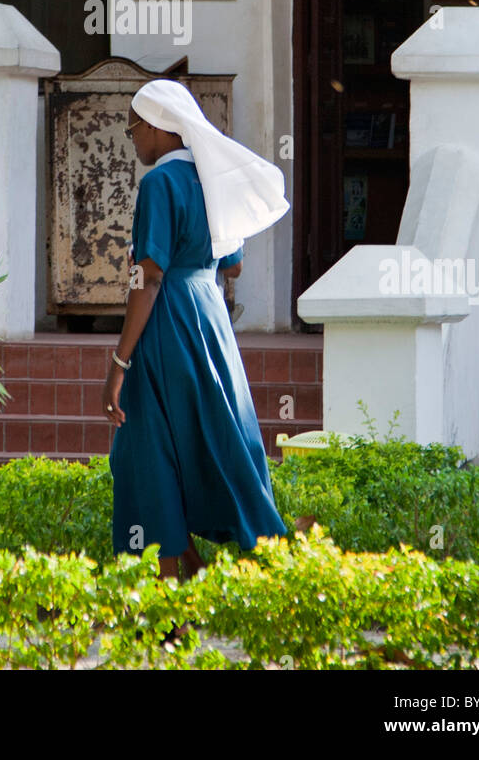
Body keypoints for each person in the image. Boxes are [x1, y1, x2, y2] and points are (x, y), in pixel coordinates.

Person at [105, 79, 290, 584]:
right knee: (216, 443)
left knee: (146, 452)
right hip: (210, 325)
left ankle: (171, 598)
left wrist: (118, 364)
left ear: (159, 127)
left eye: (133, 126)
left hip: (167, 323)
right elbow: (231, 265)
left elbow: (150, 275)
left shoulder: (159, 185)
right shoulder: (210, 180)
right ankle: (230, 568)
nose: (132, 138)